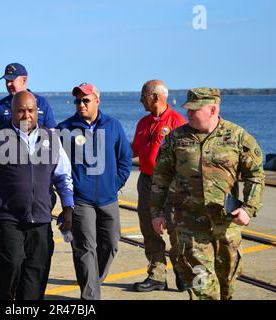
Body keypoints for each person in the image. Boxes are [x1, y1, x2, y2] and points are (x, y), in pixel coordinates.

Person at [150, 88, 265, 300]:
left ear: (212, 109)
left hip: (226, 226)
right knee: (201, 285)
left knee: (226, 284)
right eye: (188, 109)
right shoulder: (176, 139)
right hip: (190, 226)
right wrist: (156, 213)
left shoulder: (238, 138)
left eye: (195, 109)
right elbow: (160, 178)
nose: (189, 114)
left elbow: (255, 175)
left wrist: (248, 208)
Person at [0, 90, 74, 300]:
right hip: (9, 217)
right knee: (12, 263)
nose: (26, 115)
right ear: (12, 112)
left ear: (38, 112)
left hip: (41, 218)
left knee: (36, 271)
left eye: (31, 110)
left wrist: (68, 206)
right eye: (21, 111)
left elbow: (63, 175)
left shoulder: (51, 138)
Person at [56, 83, 133, 300]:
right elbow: (56, 165)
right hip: (80, 200)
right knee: (85, 248)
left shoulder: (113, 126)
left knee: (111, 244)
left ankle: (93, 282)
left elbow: (125, 158)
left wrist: (115, 182)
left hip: (109, 198)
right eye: (78, 101)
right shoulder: (65, 129)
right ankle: (90, 298)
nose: (81, 105)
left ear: (98, 101)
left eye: (86, 100)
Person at [131, 80, 187, 292]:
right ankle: (157, 275)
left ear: (155, 96)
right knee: (149, 228)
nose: (141, 101)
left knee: (175, 228)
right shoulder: (143, 123)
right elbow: (134, 150)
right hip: (146, 181)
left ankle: (182, 271)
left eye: (143, 96)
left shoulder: (177, 122)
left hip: (171, 183)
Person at [0, 63, 56, 131]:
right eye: (7, 81)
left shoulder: (41, 103)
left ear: (24, 80)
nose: (9, 84)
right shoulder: (0, 106)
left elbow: (51, 131)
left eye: (12, 80)